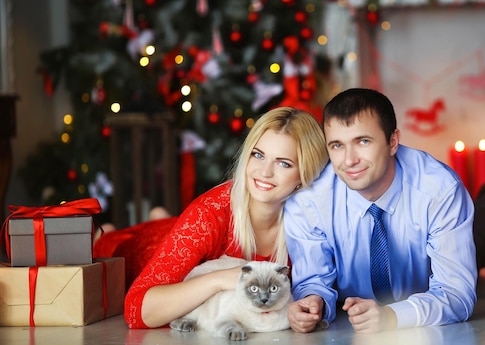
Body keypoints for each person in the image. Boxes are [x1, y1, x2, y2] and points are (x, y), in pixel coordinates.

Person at [94, 107, 328, 329]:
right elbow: (137, 311)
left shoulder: (313, 221)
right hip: (144, 251)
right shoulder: (211, 212)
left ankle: (162, 218)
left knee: (169, 225)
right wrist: (219, 279)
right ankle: (114, 231)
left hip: (184, 234)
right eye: (258, 155)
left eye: (284, 163)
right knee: (110, 244)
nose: (264, 172)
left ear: (304, 174)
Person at [284, 88, 478, 334]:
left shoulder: (439, 190)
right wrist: (313, 302)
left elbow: (457, 293)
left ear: (393, 142)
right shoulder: (308, 201)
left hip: (434, 269)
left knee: (478, 245)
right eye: (337, 145)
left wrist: (392, 316)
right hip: (354, 316)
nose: (349, 160)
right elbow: (313, 280)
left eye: (362, 141)